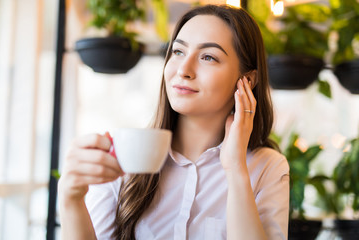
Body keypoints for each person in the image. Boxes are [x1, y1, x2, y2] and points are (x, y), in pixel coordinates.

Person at [58, 4, 290, 240]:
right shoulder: (124, 156)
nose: (184, 70)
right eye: (178, 52)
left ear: (247, 80)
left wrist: (236, 167)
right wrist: (71, 200)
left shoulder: (267, 167)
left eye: (208, 57)